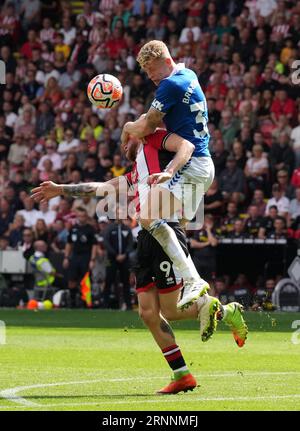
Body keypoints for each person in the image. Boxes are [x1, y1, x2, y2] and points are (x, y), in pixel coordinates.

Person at [31, 130, 248, 356]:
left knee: (171, 311)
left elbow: (172, 139)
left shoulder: (156, 153)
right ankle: (182, 374)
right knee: (147, 312)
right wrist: (61, 189)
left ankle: (223, 310)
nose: (123, 145)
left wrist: (165, 162)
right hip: (145, 238)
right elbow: (99, 187)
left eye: (127, 139)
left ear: (141, 135)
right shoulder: (134, 176)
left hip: (165, 230)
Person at [120, 40, 216, 310]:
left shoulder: (169, 85)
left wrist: (127, 126)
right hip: (204, 164)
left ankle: (193, 281)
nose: (150, 76)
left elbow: (147, 124)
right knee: (174, 226)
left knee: (148, 216)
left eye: (151, 69)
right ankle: (204, 303)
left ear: (166, 60)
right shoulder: (190, 75)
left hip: (190, 161)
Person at [63, 207, 97, 307]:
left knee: (85, 280)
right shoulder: (73, 228)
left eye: (84, 216)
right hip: (75, 256)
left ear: (86, 217)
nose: (82, 218)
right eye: (80, 216)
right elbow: (69, 244)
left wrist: (92, 259)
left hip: (85, 257)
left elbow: (94, 245)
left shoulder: (90, 229)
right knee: (72, 279)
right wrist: (66, 257)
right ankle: (72, 302)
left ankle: (86, 303)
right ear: (77, 217)